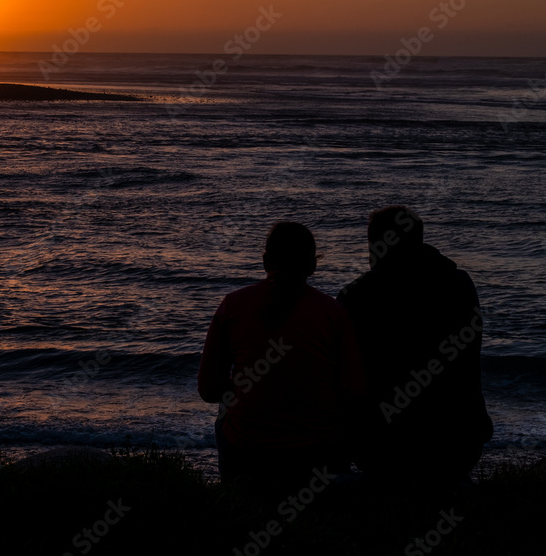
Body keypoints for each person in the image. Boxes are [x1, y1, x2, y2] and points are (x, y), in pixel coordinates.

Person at [198, 221, 366, 489]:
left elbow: (208, 389)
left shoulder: (233, 305)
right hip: (318, 452)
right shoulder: (333, 312)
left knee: (224, 410)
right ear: (312, 266)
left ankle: (235, 489)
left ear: (266, 262)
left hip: (249, 451)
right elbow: (354, 392)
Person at [337, 206, 493, 483]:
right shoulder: (460, 285)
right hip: (461, 445)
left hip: (386, 449)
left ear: (376, 245)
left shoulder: (356, 298)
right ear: (420, 241)